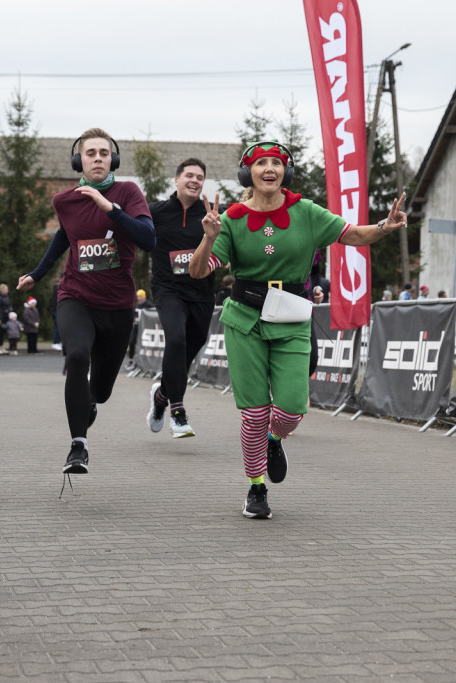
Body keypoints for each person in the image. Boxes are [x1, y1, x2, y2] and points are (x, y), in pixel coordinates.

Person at [190, 140, 408, 519]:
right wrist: (209, 236)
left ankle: (275, 439)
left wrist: (385, 227)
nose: (269, 169)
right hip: (245, 320)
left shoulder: (306, 212)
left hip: (291, 319)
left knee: (290, 410)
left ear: (285, 173)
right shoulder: (233, 218)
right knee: (255, 414)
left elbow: (352, 235)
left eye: (276, 163)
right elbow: (198, 271)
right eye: (261, 164)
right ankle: (256, 487)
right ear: (249, 173)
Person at [18, 127, 154, 475]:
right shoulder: (65, 200)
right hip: (75, 296)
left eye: (104, 153)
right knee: (77, 356)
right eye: (90, 152)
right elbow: (65, 236)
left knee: (103, 391)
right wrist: (38, 272)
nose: (97, 158)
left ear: (113, 159)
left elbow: (148, 239)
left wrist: (111, 209)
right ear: (79, 159)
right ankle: (78, 446)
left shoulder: (128, 192)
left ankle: (89, 402)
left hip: (118, 305)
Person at [145, 158, 214, 438]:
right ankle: (178, 411)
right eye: (189, 175)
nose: (194, 180)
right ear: (176, 180)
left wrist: (216, 231)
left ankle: (161, 395)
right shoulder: (156, 212)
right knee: (175, 339)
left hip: (201, 293)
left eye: (199, 177)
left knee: (186, 352)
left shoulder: (209, 216)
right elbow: (129, 230)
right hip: (168, 290)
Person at [125, 289, 154, 370]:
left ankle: (145, 362)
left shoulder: (148, 305)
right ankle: (131, 361)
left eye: (140, 296)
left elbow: (154, 314)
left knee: (144, 344)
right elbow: (133, 315)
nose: (139, 298)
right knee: (132, 342)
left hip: (145, 327)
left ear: (144, 296)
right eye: (138, 296)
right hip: (137, 326)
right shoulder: (136, 305)